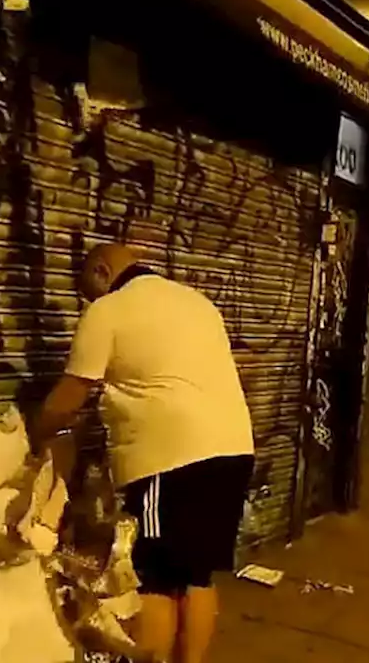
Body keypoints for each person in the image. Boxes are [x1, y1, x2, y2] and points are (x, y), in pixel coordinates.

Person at [30, 243, 254, 663]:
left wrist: (29, 438)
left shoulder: (109, 311)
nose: (90, 302)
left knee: (152, 578)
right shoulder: (196, 302)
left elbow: (67, 399)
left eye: (88, 292)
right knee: (196, 575)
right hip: (234, 451)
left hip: (170, 461)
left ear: (100, 271)